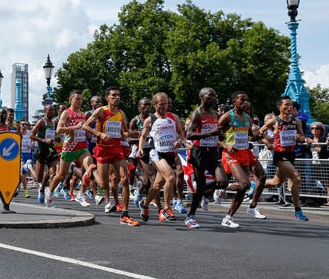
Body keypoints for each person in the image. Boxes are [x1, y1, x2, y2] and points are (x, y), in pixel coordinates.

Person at [82, 87, 140, 226]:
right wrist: (99, 134)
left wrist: (131, 134)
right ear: (107, 98)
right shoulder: (101, 111)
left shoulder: (121, 114)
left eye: (118, 95)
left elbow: (124, 132)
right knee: (103, 184)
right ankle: (92, 170)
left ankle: (125, 214)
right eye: (114, 95)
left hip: (116, 150)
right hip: (102, 149)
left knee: (125, 179)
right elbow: (85, 126)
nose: (117, 97)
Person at [218, 91, 268, 228]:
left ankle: (228, 217)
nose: (244, 102)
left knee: (244, 186)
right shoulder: (227, 117)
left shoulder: (247, 118)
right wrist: (226, 146)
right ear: (234, 101)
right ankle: (219, 188)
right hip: (231, 154)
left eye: (246, 100)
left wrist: (259, 136)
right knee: (245, 183)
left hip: (244, 153)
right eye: (241, 100)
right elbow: (215, 136)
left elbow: (251, 136)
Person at [136, 92, 189, 223]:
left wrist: (180, 141)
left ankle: (145, 205)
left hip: (170, 153)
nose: (165, 106)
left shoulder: (173, 117)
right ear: (155, 105)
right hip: (157, 153)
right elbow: (143, 136)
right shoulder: (150, 120)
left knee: (157, 185)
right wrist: (140, 148)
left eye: (166, 103)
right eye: (161, 104)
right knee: (171, 176)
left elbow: (181, 133)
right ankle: (166, 209)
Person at [184, 87, 229, 229]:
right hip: (199, 152)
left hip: (213, 151)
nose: (213, 98)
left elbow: (218, 134)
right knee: (201, 184)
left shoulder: (215, 114)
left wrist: (221, 133)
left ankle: (202, 192)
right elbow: (189, 135)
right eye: (210, 96)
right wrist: (210, 133)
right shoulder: (197, 113)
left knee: (223, 182)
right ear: (202, 97)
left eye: (214, 95)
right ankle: (190, 216)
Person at [259, 96, 309, 221]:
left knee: (276, 182)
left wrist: (302, 138)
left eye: (291, 105)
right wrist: (267, 143)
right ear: (279, 107)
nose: (289, 107)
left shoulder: (296, 121)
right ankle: (298, 210)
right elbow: (260, 132)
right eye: (286, 105)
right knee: (296, 178)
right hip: (279, 155)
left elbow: (302, 137)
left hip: (291, 154)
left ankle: (255, 186)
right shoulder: (274, 121)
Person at [44, 90, 94, 208]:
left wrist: (88, 133)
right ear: (70, 99)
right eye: (77, 99)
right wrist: (74, 127)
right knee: (61, 175)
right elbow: (59, 130)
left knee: (90, 169)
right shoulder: (66, 113)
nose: (79, 101)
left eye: (81, 99)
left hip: (82, 147)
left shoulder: (82, 114)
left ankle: (81, 193)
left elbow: (83, 128)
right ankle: (49, 193)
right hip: (69, 148)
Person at [30, 104, 59, 204]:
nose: (51, 112)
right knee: (38, 178)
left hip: (51, 150)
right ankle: (29, 167)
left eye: (52, 110)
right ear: (45, 111)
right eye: (49, 110)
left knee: (53, 173)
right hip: (42, 150)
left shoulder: (54, 122)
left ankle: (45, 192)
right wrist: (44, 140)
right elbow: (31, 135)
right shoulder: (41, 122)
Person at [308, 121, 329, 206]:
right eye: (312, 128)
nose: (314, 130)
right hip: (314, 162)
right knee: (321, 181)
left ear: (321, 130)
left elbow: (321, 150)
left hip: (324, 162)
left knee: (327, 182)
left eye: (316, 128)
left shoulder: (323, 139)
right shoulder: (310, 138)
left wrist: (312, 143)